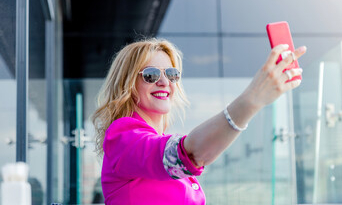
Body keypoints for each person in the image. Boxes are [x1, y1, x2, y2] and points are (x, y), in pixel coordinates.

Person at [92, 38, 306, 205]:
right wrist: (252, 100)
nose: (165, 81)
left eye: (172, 74)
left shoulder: (153, 141)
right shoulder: (121, 136)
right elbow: (190, 154)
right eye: (150, 75)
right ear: (127, 85)